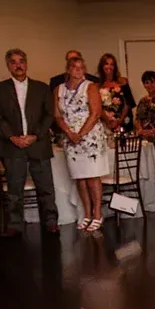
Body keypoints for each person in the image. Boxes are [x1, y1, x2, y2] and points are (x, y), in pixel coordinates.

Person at [0, 48, 59, 238]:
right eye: (13, 62)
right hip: (12, 145)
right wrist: (12, 137)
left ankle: (51, 222)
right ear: (8, 66)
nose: (18, 65)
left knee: (46, 187)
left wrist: (35, 136)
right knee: (14, 188)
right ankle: (15, 225)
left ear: (26, 63)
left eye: (21, 61)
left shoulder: (42, 87)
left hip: (38, 143)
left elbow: (48, 115)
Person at [54, 56, 109, 232]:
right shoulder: (59, 89)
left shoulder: (90, 87)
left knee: (92, 176)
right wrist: (70, 133)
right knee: (79, 178)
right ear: (68, 69)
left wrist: (81, 134)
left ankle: (97, 213)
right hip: (70, 138)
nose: (78, 70)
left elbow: (95, 113)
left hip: (90, 137)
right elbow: (57, 115)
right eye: (74, 67)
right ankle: (86, 213)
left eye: (81, 67)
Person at [134, 70, 155, 167]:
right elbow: (137, 119)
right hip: (145, 140)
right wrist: (140, 129)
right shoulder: (142, 101)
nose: (149, 85)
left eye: (152, 82)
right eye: (146, 83)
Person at [96, 53, 136, 134]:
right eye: (106, 64)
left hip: (123, 122)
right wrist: (107, 121)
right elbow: (97, 106)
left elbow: (129, 103)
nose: (109, 67)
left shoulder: (122, 82)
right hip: (105, 124)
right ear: (102, 66)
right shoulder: (97, 86)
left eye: (112, 64)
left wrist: (119, 120)